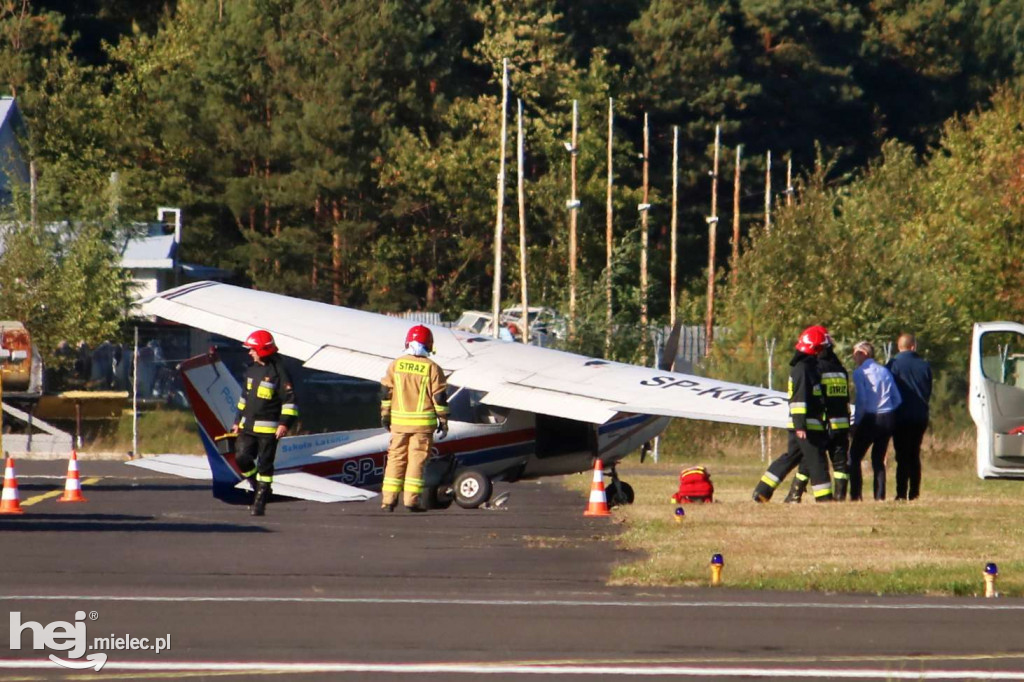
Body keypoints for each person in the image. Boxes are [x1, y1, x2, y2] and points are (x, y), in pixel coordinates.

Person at [752, 326, 833, 503]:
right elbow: (799, 399)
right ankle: (825, 498)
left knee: (790, 458)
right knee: (817, 460)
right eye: (821, 348)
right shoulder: (803, 369)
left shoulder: (808, 367)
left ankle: (762, 491)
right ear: (814, 349)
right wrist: (800, 425)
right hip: (806, 425)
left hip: (807, 424)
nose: (823, 352)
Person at [380, 325, 450, 512]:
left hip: (399, 424)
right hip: (422, 426)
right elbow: (439, 399)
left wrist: (385, 416)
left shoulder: (396, 365)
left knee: (395, 459)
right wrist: (443, 421)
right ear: (429, 344)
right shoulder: (433, 368)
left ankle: (388, 500)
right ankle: (411, 501)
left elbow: (386, 392)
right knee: (416, 461)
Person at [231, 329, 298, 516]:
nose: (249, 353)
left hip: (269, 430)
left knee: (264, 466)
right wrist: (237, 421)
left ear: (262, 350)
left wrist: (284, 424)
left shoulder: (279, 372)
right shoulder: (251, 370)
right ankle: (259, 486)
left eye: (252, 349)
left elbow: (290, 401)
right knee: (241, 458)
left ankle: (260, 501)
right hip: (247, 426)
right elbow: (244, 398)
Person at [783, 326, 852, 502]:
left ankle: (794, 493)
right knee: (840, 465)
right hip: (842, 424)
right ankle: (840, 496)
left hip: (825, 423)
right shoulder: (841, 370)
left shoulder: (817, 368)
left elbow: (817, 398)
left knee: (811, 460)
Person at [847, 341, 901, 501]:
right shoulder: (884, 371)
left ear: (864, 354)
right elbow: (897, 398)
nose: (853, 356)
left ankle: (856, 495)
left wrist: (856, 422)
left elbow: (862, 400)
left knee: (854, 456)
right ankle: (880, 495)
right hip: (888, 416)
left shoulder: (860, 372)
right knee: (878, 458)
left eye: (856, 352)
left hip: (871, 417)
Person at [887, 333, 932, 500]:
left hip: (900, 416)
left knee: (902, 456)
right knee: (914, 454)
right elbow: (928, 390)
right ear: (913, 346)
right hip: (920, 415)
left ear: (899, 347)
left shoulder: (892, 365)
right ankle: (914, 492)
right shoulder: (924, 365)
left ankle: (901, 493)